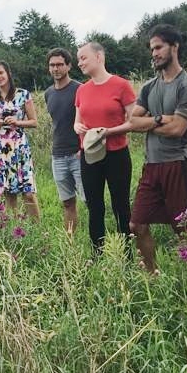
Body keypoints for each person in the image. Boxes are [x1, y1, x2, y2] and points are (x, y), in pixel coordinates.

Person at [112, 24, 187, 273]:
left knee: (182, 227)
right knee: (136, 224)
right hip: (152, 166)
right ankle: (152, 274)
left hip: (178, 164)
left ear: (175, 47)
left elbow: (178, 130)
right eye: (152, 49)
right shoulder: (149, 87)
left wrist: (148, 122)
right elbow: (133, 122)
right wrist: (161, 119)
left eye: (159, 47)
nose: (154, 53)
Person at [74, 41, 136, 252]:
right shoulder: (82, 90)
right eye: (78, 59)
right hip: (89, 155)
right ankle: (97, 253)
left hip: (116, 154)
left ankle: (127, 253)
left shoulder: (121, 85)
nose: (79, 63)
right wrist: (78, 127)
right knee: (94, 206)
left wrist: (109, 131)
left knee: (120, 206)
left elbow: (134, 122)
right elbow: (77, 121)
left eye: (83, 58)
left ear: (99, 57)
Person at [0, 60, 40, 219]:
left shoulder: (23, 94)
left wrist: (17, 122)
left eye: (1, 73)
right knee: (8, 192)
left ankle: (39, 231)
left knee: (28, 192)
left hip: (19, 147)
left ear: (8, 73)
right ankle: (14, 231)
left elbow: (34, 122)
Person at [43, 47, 85, 234]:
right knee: (67, 202)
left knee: (89, 199)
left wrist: (83, 148)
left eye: (60, 64)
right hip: (58, 155)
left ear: (69, 66)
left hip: (79, 154)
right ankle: (70, 241)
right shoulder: (48, 93)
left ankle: (97, 238)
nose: (56, 68)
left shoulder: (80, 89)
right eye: (52, 65)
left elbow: (88, 120)